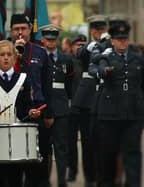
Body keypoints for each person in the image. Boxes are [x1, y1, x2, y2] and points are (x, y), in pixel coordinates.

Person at [0, 40, 41, 187]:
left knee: (15, 178)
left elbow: (25, 106)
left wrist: (31, 112)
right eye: (2, 54)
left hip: (16, 138)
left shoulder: (23, 79)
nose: (5, 58)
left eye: (9, 54)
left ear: (15, 57)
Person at [94, 21, 143, 187]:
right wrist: (104, 70)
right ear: (112, 41)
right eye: (119, 39)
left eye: (125, 38)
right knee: (107, 155)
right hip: (110, 116)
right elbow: (98, 70)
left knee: (133, 155)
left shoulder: (138, 58)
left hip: (133, 115)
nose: (123, 42)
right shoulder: (105, 58)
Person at [9, 13, 52, 187]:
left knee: (38, 158)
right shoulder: (4, 51)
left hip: (37, 110)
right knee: (14, 161)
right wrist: (15, 56)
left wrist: (49, 113)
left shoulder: (40, 52)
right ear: (11, 31)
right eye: (16, 29)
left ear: (29, 30)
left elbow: (47, 85)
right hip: (11, 111)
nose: (20, 33)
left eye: (23, 29)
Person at [71, 15, 108, 186]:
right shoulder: (87, 47)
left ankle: (104, 176)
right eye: (96, 29)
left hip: (105, 98)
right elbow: (80, 54)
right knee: (87, 141)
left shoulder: (111, 45)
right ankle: (89, 176)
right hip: (87, 99)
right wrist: (96, 44)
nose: (99, 32)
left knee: (105, 141)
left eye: (102, 29)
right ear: (92, 31)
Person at [39, 24, 74, 187]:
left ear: (57, 40)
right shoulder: (38, 57)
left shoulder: (66, 58)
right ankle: (44, 180)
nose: (51, 42)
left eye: (53, 39)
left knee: (62, 148)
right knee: (44, 148)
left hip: (60, 108)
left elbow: (69, 82)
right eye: (47, 39)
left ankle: (62, 181)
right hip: (43, 107)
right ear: (43, 39)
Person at [67, 34, 87, 184]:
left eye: (83, 44)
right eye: (77, 44)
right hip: (71, 108)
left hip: (87, 108)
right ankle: (72, 171)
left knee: (88, 144)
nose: (80, 47)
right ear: (71, 46)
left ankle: (89, 174)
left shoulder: (91, 61)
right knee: (70, 143)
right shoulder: (68, 61)